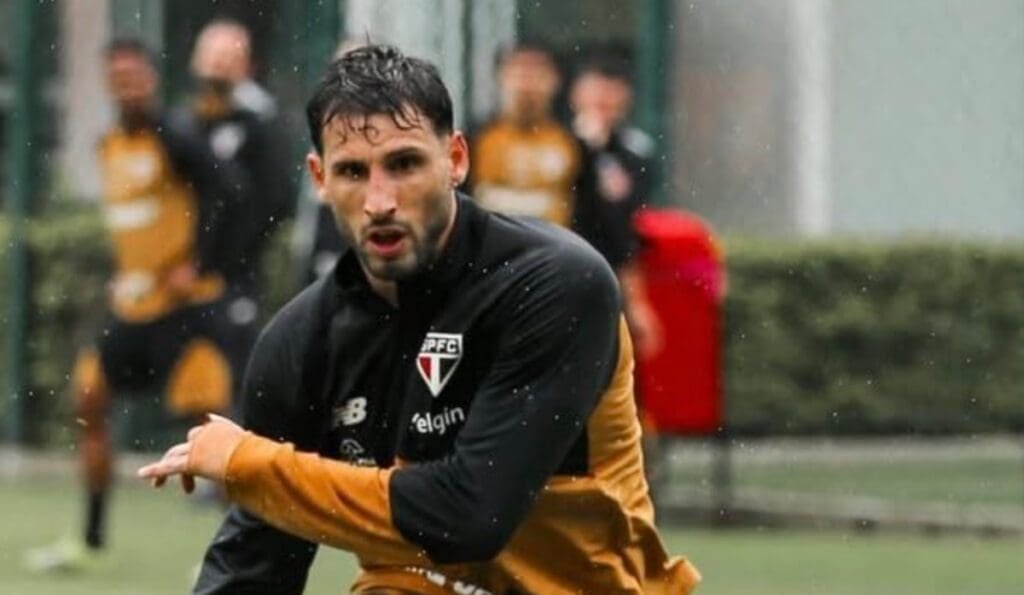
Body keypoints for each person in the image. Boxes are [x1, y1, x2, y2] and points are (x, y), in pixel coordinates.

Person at [139, 44, 701, 594]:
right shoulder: (299, 344)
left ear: (456, 159)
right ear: (318, 178)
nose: (380, 200)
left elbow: (471, 515)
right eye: (353, 171)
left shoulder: (557, 284)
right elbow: (256, 565)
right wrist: (259, 475)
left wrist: (254, 465)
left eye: (403, 164)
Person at [26, 38, 240, 572]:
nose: (129, 85)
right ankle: (90, 539)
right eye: (118, 76)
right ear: (109, 84)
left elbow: (229, 192)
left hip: (184, 311)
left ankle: (236, 553)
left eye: (137, 75)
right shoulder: (109, 145)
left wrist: (200, 260)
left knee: (211, 425)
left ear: (151, 78)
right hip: (129, 309)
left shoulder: (177, 135)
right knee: (89, 402)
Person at [186, 19, 297, 393]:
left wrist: (228, 260)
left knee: (234, 372)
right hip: (177, 280)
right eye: (211, 58)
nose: (216, 68)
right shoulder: (182, 126)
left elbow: (276, 198)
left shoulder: (259, 126)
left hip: (234, 278)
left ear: (245, 66)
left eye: (226, 59)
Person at [568, 57, 663, 358]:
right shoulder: (558, 142)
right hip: (558, 263)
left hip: (606, 274)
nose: (602, 101)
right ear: (576, 94)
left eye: (611, 92)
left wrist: (596, 152)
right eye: (594, 91)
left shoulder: (636, 151)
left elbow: (621, 223)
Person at [470, 40, 581, 227]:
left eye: (538, 72)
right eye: (518, 72)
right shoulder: (476, 138)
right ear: (501, 77)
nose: (527, 83)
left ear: (555, 80)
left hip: (554, 250)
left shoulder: (572, 144)